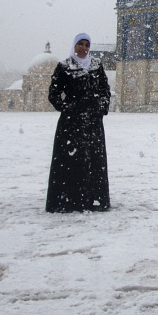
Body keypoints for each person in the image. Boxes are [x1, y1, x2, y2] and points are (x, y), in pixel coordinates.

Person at [46, 33, 111, 213]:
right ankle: (69, 200)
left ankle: (93, 199)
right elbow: (54, 93)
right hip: (71, 124)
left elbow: (105, 90)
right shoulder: (65, 67)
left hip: (92, 122)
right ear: (74, 46)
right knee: (71, 161)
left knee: (93, 160)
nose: (83, 48)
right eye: (80, 44)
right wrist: (68, 108)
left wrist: (101, 107)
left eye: (86, 44)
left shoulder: (96, 66)